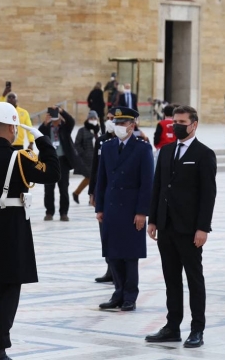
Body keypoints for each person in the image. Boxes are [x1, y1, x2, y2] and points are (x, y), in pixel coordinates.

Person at [0, 102, 60, 360]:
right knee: (6, 292)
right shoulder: (20, 158)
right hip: (9, 230)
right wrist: (41, 139)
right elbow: (53, 172)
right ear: (12, 127)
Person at [145, 105, 216, 348]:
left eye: (182, 122)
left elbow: (208, 195)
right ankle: (172, 326)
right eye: (174, 121)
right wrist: (153, 219)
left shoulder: (204, 154)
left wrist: (203, 228)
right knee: (171, 279)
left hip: (190, 229)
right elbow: (158, 187)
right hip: (166, 226)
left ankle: (197, 329)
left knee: (194, 280)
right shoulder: (165, 152)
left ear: (194, 124)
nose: (176, 125)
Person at [95, 106, 153, 312]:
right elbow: (101, 179)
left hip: (131, 209)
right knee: (113, 253)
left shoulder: (142, 148)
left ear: (133, 124)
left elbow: (147, 183)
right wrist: (99, 207)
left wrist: (142, 212)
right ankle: (117, 293)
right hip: (111, 207)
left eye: (123, 123)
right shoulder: (108, 146)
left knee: (129, 255)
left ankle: (130, 295)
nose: (119, 126)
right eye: (117, 123)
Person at [38, 106, 82, 221]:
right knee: (48, 189)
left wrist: (62, 111)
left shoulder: (65, 127)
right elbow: (38, 135)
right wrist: (45, 123)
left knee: (63, 189)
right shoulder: (46, 127)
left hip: (63, 161)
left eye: (55, 114)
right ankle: (49, 212)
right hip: (49, 161)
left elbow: (71, 121)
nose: (54, 116)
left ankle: (64, 213)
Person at [89, 116, 116, 283]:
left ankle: (118, 270)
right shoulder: (101, 141)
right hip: (103, 193)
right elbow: (95, 168)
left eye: (114, 119)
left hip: (119, 195)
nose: (111, 121)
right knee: (104, 233)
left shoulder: (134, 141)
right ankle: (109, 268)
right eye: (109, 118)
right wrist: (92, 191)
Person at [72, 110, 100, 204]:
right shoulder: (82, 131)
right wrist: (83, 154)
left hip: (97, 158)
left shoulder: (98, 130)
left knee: (94, 178)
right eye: (91, 118)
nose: (93, 120)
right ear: (88, 119)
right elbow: (77, 144)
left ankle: (86, 196)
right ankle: (81, 194)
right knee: (90, 178)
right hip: (86, 160)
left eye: (95, 118)